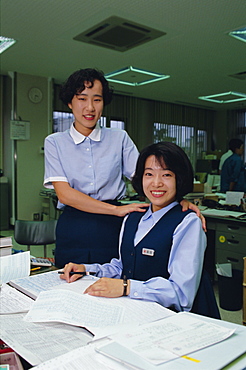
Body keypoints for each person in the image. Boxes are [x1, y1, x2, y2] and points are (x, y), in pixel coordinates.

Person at [44, 68, 205, 268]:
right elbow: (65, 195)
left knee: (111, 280)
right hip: (74, 224)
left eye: (97, 99)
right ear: (70, 102)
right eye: (82, 99)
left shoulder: (119, 138)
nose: (90, 108)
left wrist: (179, 200)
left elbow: (144, 178)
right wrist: (115, 211)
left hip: (111, 227)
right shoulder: (55, 142)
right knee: (70, 281)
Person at [60, 142, 219, 318]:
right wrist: (87, 269)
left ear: (179, 179)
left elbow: (181, 294)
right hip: (135, 311)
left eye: (166, 175)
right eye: (149, 174)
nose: (156, 183)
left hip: (173, 321)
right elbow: (123, 266)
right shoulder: (133, 217)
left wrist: (126, 287)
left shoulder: (188, 223)